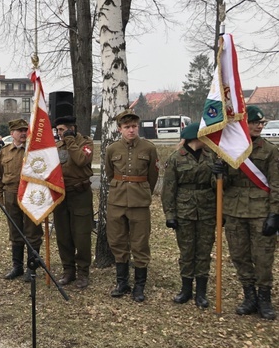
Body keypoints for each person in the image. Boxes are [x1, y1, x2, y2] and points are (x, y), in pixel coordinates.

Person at [214, 105, 278, 320]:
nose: (259, 126)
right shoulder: (230, 151)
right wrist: (219, 175)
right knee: (240, 257)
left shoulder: (270, 151)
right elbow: (223, 186)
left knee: (263, 258)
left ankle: (264, 299)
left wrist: (274, 214)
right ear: (243, 124)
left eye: (262, 123)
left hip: (261, 212)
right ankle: (249, 297)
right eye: (254, 122)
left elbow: (276, 185)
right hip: (235, 212)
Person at [105, 109, 159, 302]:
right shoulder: (112, 149)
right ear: (120, 129)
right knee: (118, 241)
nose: (131, 130)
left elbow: (153, 176)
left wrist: (143, 192)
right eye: (127, 127)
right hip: (117, 201)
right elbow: (110, 173)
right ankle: (122, 283)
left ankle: (139, 286)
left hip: (139, 202)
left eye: (134, 126)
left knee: (140, 243)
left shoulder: (149, 148)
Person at [161, 122, 216, 308]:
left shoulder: (212, 156)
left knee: (203, 252)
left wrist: (219, 175)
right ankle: (186, 290)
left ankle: (201, 293)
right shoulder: (176, 158)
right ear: (195, 138)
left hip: (207, 211)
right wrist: (170, 214)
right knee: (186, 252)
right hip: (184, 211)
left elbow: (218, 187)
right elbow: (168, 189)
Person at [0, 118, 43, 282]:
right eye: (19, 131)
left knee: (32, 232)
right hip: (10, 194)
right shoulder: (5, 151)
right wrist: (0, 197)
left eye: (25, 130)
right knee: (15, 231)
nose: (23, 133)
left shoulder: (34, 151)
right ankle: (17, 267)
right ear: (12, 133)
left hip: (30, 195)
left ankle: (32, 267)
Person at [53, 116, 94, 289]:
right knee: (63, 234)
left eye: (62, 130)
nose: (60, 133)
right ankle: (68, 270)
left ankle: (83, 272)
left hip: (80, 194)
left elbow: (81, 160)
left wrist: (70, 140)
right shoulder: (57, 147)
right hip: (61, 195)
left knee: (81, 235)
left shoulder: (86, 143)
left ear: (72, 128)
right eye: (58, 130)